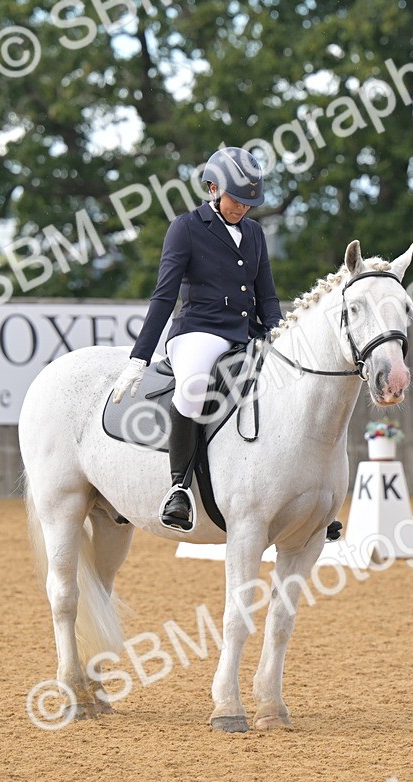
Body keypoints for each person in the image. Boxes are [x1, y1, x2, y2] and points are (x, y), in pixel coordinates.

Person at [111, 147, 284, 531]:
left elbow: (267, 296)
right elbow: (164, 296)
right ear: (212, 188)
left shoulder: (254, 233)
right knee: (191, 389)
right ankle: (179, 489)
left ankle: (297, 494)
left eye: (248, 203)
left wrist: (278, 331)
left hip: (246, 333)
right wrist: (139, 358)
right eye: (236, 200)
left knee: (292, 385)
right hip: (199, 332)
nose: (242, 209)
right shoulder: (186, 228)